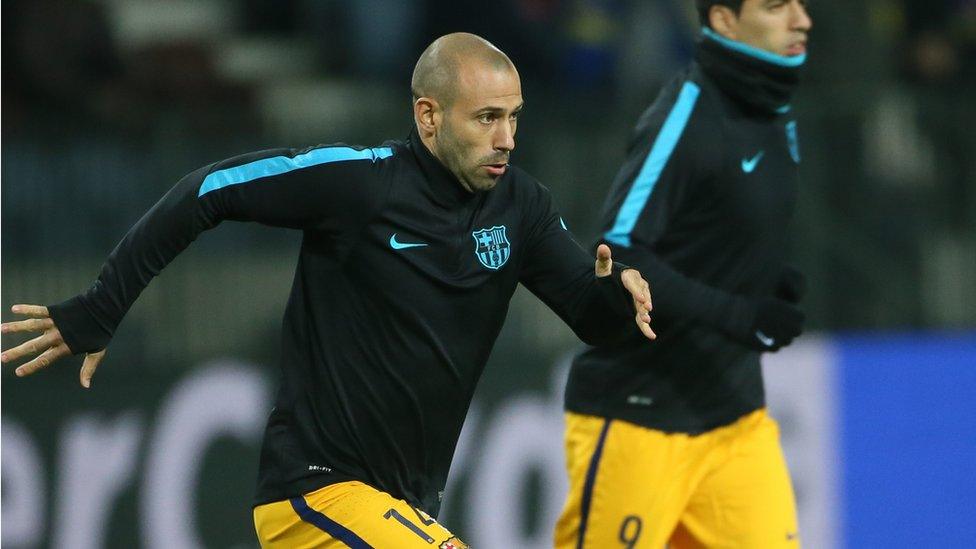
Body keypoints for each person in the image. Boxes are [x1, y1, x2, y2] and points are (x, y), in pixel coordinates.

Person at [0, 33, 655, 548]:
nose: (507, 138)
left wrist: (616, 295)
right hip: (316, 495)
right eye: (486, 118)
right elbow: (207, 189)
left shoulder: (523, 206)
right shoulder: (360, 185)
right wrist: (103, 304)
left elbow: (589, 313)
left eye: (513, 117)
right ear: (428, 117)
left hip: (405, 508)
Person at [554, 1, 812, 547]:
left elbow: (714, 228)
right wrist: (740, 314)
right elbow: (620, 251)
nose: (800, 19)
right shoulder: (684, 115)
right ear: (723, 19)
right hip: (637, 416)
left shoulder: (776, 111)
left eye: (801, 4)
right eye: (775, 6)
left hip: (735, 417)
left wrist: (764, 276)